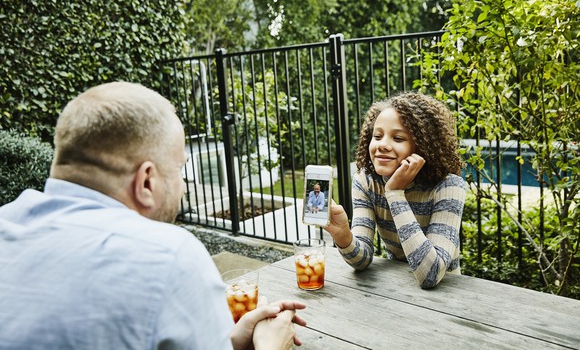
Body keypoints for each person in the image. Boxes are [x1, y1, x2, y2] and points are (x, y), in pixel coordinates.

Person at [0, 82, 306, 350]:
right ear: (147, 181)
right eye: (179, 170)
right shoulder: (168, 257)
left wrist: (224, 341)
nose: (183, 186)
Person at [324, 92, 467, 289]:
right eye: (377, 136)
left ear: (422, 147)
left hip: (446, 296)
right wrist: (343, 235)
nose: (382, 145)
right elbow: (361, 261)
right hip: (394, 289)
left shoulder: (448, 187)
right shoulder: (366, 181)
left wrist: (394, 193)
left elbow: (431, 274)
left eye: (398, 138)